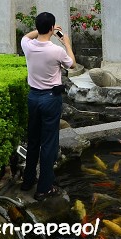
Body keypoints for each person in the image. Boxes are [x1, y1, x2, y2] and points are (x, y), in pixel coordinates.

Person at [20, 12, 76, 201]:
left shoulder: (27, 45)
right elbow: (73, 64)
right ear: (53, 29)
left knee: (33, 141)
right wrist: (66, 42)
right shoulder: (57, 50)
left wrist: (42, 30)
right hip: (50, 99)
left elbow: (27, 36)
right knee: (49, 144)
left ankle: (27, 181)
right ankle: (44, 188)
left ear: (38, 27)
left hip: (33, 97)